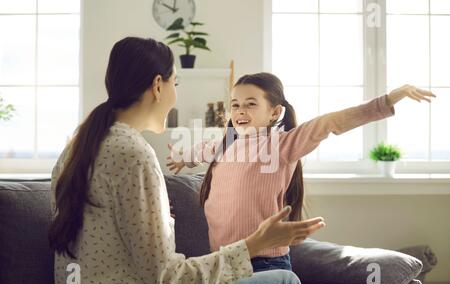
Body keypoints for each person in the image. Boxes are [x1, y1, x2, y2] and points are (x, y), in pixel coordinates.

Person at [48, 37, 326, 284]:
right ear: (158, 86)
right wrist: (255, 243)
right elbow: (168, 281)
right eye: (175, 84)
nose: (175, 96)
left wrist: (160, 220)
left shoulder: (77, 147)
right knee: (286, 283)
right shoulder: (133, 153)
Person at [167, 72, 436, 273]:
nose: (240, 111)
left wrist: (387, 100)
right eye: (235, 104)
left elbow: (330, 122)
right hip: (223, 260)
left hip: (264, 262)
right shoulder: (224, 145)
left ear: (275, 112)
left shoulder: (282, 144)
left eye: (250, 104)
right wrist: (181, 158)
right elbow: (198, 151)